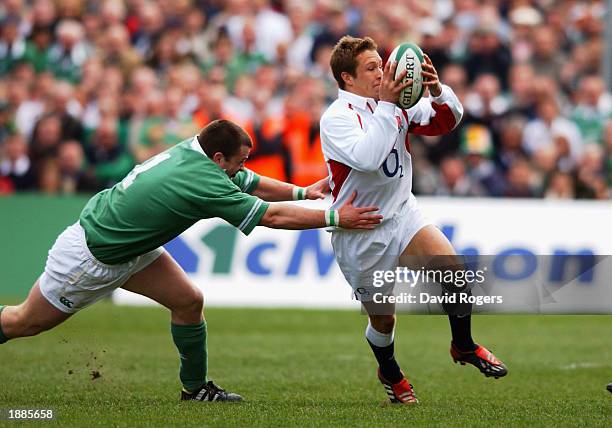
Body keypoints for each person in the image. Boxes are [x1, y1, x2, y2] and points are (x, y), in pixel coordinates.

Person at [0, 119, 382, 403]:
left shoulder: (196, 153)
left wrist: (303, 191)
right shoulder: (202, 179)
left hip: (127, 246)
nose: (241, 167)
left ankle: (195, 389)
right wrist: (335, 216)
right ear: (219, 158)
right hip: (91, 257)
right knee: (24, 322)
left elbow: (248, 182)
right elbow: (270, 216)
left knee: (188, 301)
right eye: (239, 161)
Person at [320, 36, 507, 405]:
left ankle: (464, 346)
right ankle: (389, 370)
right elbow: (369, 158)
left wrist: (437, 91)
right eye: (371, 68)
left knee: (453, 270)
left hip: (402, 215)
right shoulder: (337, 118)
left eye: (382, 64)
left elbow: (446, 121)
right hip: (362, 232)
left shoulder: (395, 103)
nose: (382, 72)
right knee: (384, 321)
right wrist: (389, 107)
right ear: (347, 78)